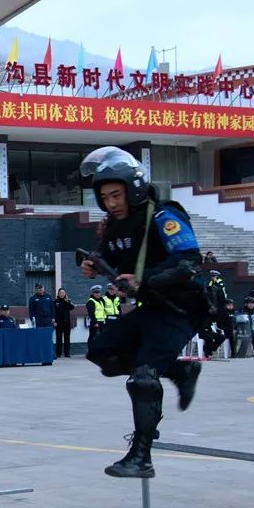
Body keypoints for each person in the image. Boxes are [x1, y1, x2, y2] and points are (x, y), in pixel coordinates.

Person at [79, 147, 206, 478]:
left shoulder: (163, 216)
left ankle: (141, 456)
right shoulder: (115, 227)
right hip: (150, 308)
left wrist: (143, 279)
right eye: (105, 197)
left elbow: (189, 262)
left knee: (144, 377)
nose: (111, 203)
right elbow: (106, 255)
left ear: (133, 187)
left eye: (117, 195)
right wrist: (91, 266)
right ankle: (179, 371)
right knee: (102, 353)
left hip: (182, 308)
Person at [54, 288, 75, 358]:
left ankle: (67, 353)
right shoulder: (55, 302)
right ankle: (58, 353)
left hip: (66, 322)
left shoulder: (68, 300)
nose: (62, 294)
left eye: (63, 293)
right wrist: (55, 321)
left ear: (65, 294)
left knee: (67, 338)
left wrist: (67, 301)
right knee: (59, 338)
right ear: (58, 294)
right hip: (58, 323)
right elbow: (54, 313)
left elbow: (72, 307)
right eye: (60, 293)